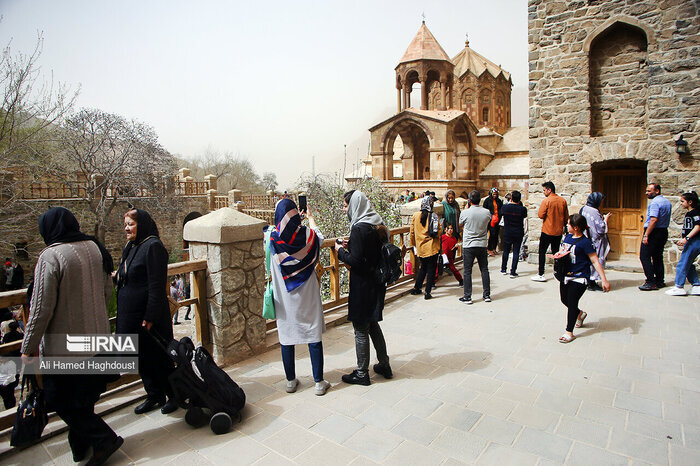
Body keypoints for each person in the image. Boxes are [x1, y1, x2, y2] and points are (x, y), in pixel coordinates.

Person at [21, 207, 123, 464]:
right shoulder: (94, 247)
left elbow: (41, 308)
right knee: (84, 397)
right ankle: (81, 446)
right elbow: (106, 292)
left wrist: (27, 347)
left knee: (60, 399)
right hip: (96, 339)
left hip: (66, 346)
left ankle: (103, 438)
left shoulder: (51, 255)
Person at [115, 209, 177, 415]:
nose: (126, 228)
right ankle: (154, 395)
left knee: (159, 358)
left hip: (149, 318)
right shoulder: (132, 247)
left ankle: (174, 395)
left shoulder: (153, 247)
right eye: (125, 224)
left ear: (141, 224)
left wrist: (150, 316)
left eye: (130, 224)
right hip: (131, 316)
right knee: (142, 359)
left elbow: (156, 285)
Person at [268, 198, 330, 396]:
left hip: (284, 298)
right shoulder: (308, 236)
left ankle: (290, 381)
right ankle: (319, 382)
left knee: (286, 337)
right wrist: (309, 218)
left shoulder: (271, 238)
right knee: (313, 334)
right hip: (308, 295)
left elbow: (271, 229)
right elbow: (319, 235)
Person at [336, 190, 392, 385]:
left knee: (361, 327)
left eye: (346, 205)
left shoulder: (359, 228)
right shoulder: (377, 223)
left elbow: (356, 261)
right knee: (373, 324)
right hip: (377, 283)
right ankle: (384, 364)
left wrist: (340, 251)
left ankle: (362, 373)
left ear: (355, 205)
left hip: (363, 286)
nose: (345, 209)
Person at [551, 214, 610, 343]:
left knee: (572, 303)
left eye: (569, 224)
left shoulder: (585, 242)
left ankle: (569, 332)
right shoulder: (567, 237)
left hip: (580, 277)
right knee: (564, 299)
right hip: (566, 275)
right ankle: (580, 314)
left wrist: (604, 279)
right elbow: (564, 251)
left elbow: (595, 261)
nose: (567, 225)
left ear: (576, 227)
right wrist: (558, 255)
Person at [459, 190, 492, 304]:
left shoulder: (465, 213)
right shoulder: (487, 212)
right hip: (482, 244)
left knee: (467, 271)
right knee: (484, 269)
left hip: (469, 245)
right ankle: (486, 294)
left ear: (469, 200)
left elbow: (460, 224)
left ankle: (467, 296)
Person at [532, 181, 569, 282]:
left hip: (547, 230)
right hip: (558, 231)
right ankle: (557, 272)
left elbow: (540, 215)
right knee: (556, 252)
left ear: (549, 190)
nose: (543, 192)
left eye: (544, 190)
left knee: (542, 252)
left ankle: (541, 273)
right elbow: (566, 218)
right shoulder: (562, 201)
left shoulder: (546, 201)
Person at [666, 191, 700, 296]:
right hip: (691, 241)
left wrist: (687, 239)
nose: (681, 203)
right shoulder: (690, 213)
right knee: (689, 264)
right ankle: (696, 285)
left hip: (694, 241)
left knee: (683, 263)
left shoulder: (695, 213)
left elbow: (698, 226)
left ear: (690, 202)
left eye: (682, 201)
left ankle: (679, 286)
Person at [639, 183, 672, 290]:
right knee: (658, 257)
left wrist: (646, 235)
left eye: (649, 191)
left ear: (657, 191)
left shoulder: (655, 203)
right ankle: (660, 280)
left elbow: (653, 219)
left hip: (653, 232)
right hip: (663, 231)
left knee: (644, 256)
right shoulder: (667, 202)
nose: (646, 193)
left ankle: (650, 281)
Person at [409, 195, 442, 299]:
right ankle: (427, 292)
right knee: (431, 269)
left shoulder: (415, 215)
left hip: (421, 247)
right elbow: (437, 232)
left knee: (423, 268)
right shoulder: (433, 216)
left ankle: (417, 288)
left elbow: (412, 232)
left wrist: (413, 244)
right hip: (432, 247)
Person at [580, 192, 611, 291]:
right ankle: (592, 282)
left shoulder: (584, 209)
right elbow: (601, 228)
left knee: (588, 261)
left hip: (586, 239)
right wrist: (605, 219)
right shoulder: (594, 211)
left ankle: (589, 281)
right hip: (595, 241)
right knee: (595, 260)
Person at [500, 190, 528, 278]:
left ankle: (503, 269)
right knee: (516, 251)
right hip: (518, 232)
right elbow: (524, 216)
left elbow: (501, 213)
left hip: (508, 231)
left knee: (506, 251)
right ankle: (513, 271)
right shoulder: (522, 209)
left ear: (511, 198)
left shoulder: (505, 207)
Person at [483, 188, 503, 256]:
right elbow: (485, 210)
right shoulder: (487, 201)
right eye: (493, 194)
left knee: (496, 235)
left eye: (496, 194)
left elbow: (501, 209)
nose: (495, 195)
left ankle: (494, 248)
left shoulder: (499, 201)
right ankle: (489, 249)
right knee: (492, 234)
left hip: (497, 220)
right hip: (490, 221)